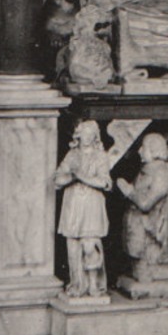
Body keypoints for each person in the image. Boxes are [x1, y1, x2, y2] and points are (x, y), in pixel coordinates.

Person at [54, 120, 111, 298]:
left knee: (90, 245)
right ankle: (77, 284)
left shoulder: (100, 156)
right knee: (73, 247)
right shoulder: (72, 155)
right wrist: (72, 176)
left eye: (90, 134)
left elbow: (105, 182)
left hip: (92, 205)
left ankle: (94, 285)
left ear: (95, 136)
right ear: (78, 135)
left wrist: (82, 176)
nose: (86, 138)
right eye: (83, 134)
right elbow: (57, 180)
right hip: (73, 205)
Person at [117, 133, 168, 281]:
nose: (140, 151)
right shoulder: (146, 170)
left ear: (154, 151)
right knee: (137, 270)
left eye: (144, 148)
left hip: (148, 228)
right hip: (135, 224)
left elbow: (146, 204)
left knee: (145, 274)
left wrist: (128, 191)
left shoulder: (161, 174)